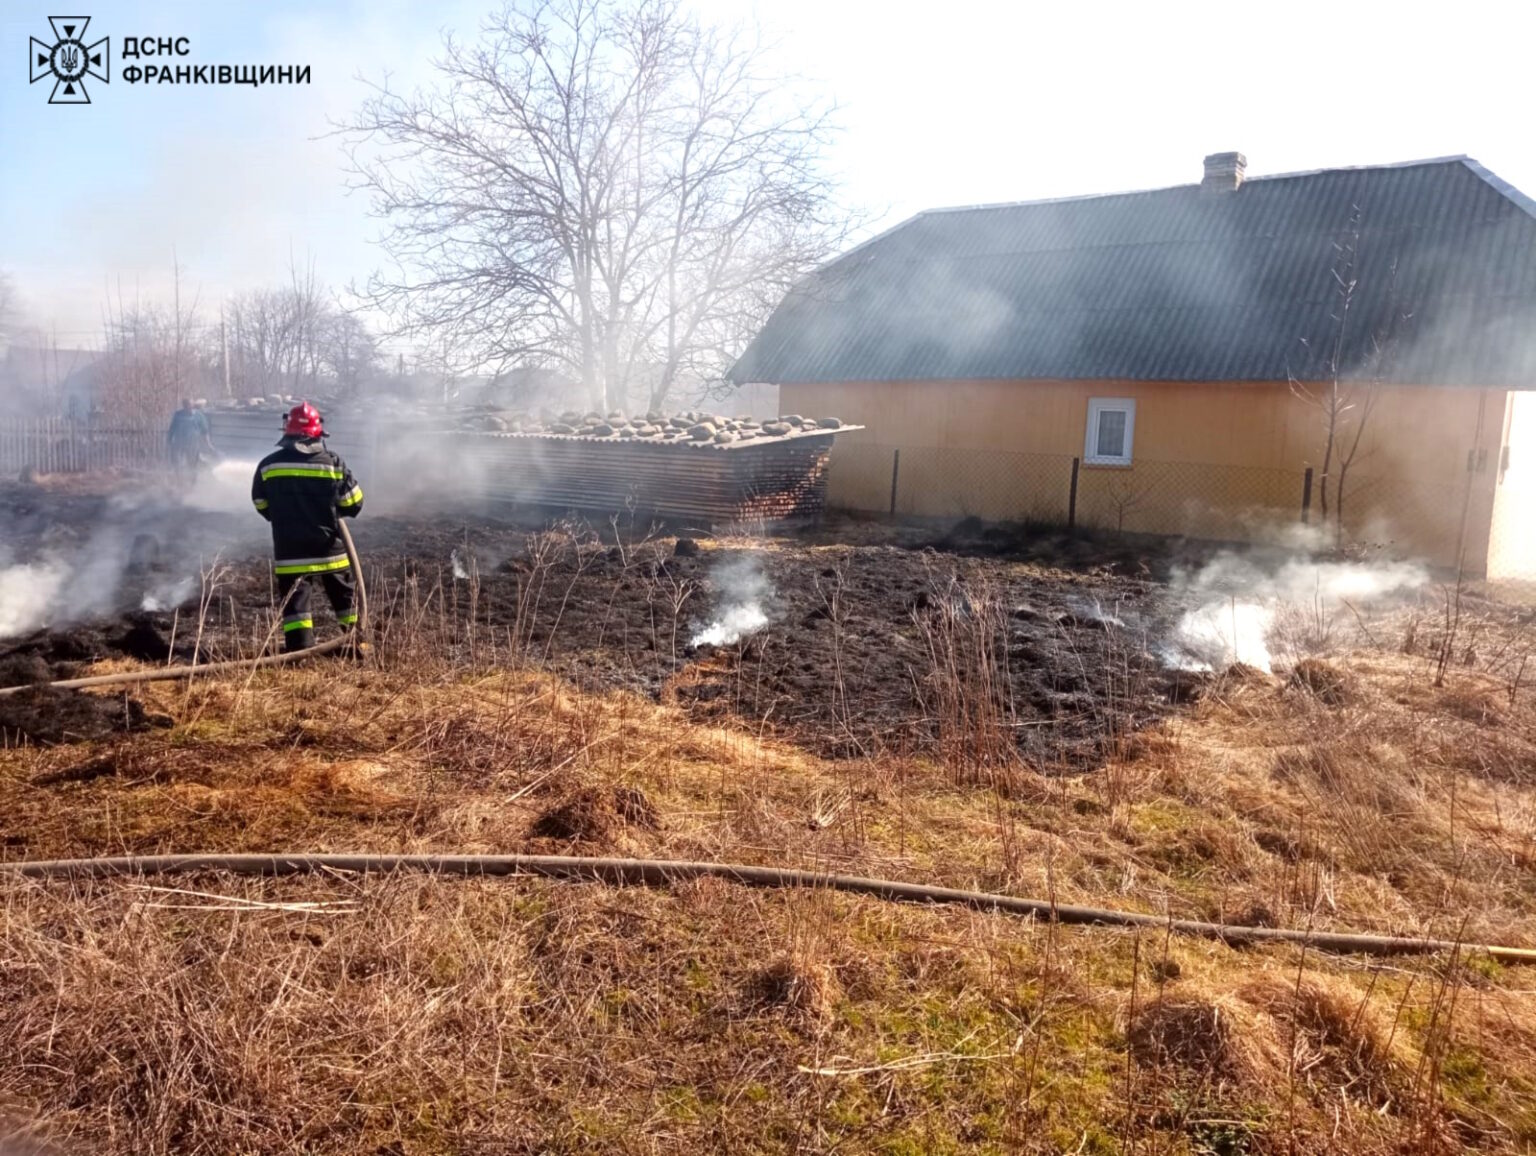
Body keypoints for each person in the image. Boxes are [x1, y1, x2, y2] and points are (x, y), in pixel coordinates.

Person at [250, 402, 365, 651]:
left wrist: (280, 517)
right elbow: (354, 502)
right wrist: (332, 512)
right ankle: (357, 642)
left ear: (287, 431)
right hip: (329, 549)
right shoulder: (333, 463)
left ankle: (299, 652)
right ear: (317, 433)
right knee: (345, 598)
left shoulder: (268, 465)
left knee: (296, 604)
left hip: (290, 550)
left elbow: (260, 503)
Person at [166, 398, 211, 483]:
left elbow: (205, 430)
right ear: (184, 406)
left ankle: (192, 482)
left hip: (193, 444)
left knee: (192, 464)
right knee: (177, 462)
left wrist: (208, 443)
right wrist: (169, 439)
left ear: (193, 405)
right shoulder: (178, 415)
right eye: (186, 405)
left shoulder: (199, 415)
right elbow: (172, 428)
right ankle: (178, 481)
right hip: (179, 442)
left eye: (190, 405)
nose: (188, 407)